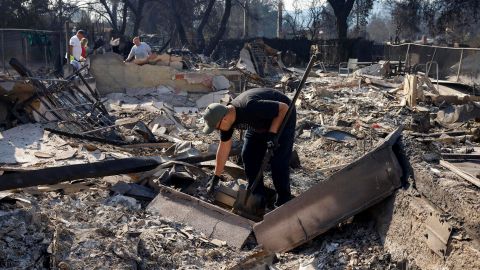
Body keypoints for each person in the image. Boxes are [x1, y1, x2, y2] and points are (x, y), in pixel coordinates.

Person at [202, 88, 296, 209]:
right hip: (259, 122)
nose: (217, 130)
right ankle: (257, 198)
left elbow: (283, 108)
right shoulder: (226, 120)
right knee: (249, 155)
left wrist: (272, 135)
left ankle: (284, 204)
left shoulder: (249, 107)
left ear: (224, 119)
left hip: (283, 115)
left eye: (216, 127)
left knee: (278, 163)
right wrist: (216, 176)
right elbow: (224, 146)